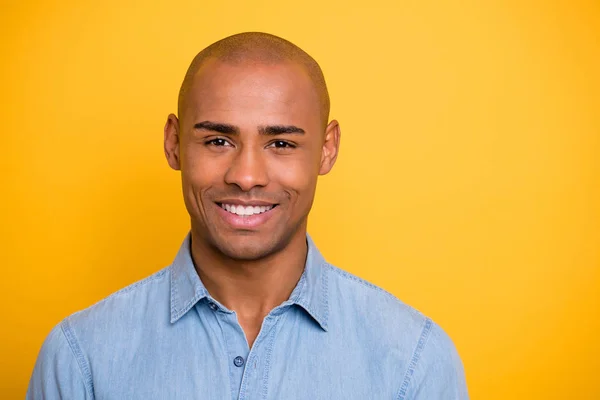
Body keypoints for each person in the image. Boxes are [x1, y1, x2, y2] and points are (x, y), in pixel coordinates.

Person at [27, 32, 469, 399]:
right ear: (174, 142)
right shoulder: (79, 358)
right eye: (218, 140)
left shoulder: (415, 359)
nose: (246, 176)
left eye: (281, 144)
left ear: (327, 149)